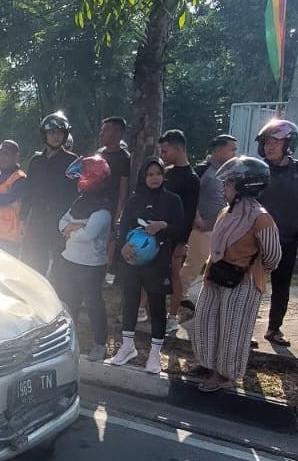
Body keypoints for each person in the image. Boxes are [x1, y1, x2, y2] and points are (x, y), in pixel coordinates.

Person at [189, 156, 282, 392]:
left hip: (243, 282)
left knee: (233, 330)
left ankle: (225, 375)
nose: (224, 188)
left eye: (229, 183)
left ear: (244, 186)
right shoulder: (226, 212)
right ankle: (207, 363)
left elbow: (273, 256)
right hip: (216, 276)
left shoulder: (261, 218)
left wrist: (252, 270)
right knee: (205, 321)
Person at [108, 157, 184, 374]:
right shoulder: (134, 199)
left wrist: (163, 225)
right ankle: (127, 346)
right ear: (143, 177)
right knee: (130, 301)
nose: (154, 178)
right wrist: (122, 246)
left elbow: (180, 227)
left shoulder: (172, 200)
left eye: (158, 173)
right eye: (150, 174)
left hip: (158, 261)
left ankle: (154, 353)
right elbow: (123, 227)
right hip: (132, 259)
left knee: (157, 305)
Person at [255, 119, 298, 347]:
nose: (269, 147)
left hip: (287, 240)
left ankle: (274, 329)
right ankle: (245, 328)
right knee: (252, 286)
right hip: (257, 240)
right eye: (266, 142)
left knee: (281, 287)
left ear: (288, 144)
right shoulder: (257, 169)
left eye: (275, 142)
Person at [55, 155, 113, 362]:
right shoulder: (79, 202)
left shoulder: (103, 208)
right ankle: (68, 341)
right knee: (69, 303)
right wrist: (74, 228)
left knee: (93, 304)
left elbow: (88, 235)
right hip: (69, 260)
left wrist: (73, 229)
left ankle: (99, 344)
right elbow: (62, 223)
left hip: (91, 266)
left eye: (82, 176)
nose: (78, 180)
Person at [179, 134, 236, 309]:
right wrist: (196, 218)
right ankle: (178, 294)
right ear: (218, 150)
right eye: (231, 149)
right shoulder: (203, 170)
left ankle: (212, 297)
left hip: (219, 227)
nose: (234, 153)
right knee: (194, 262)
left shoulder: (227, 172)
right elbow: (189, 195)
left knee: (216, 264)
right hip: (201, 228)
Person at [20, 111, 79, 276]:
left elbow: (76, 194)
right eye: (52, 132)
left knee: (61, 266)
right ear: (44, 135)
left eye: (60, 132)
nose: (56, 136)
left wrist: (73, 221)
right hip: (38, 221)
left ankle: (59, 298)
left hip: (61, 222)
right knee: (35, 263)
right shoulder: (35, 161)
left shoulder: (72, 161)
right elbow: (28, 191)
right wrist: (23, 218)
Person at [158, 129, 200, 333]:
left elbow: (190, 214)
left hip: (177, 236)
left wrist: (182, 242)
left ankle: (172, 316)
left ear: (177, 149)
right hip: (159, 232)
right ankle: (144, 309)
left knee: (174, 274)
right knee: (152, 273)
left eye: (165, 151)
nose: (162, 155)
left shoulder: (192, 179)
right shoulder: (166, 173)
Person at [96, 116, 132, 219]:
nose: (101, 134)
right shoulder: (98, 153)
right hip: (93, 207)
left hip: (110, 210)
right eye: (102, 130)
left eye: (106, 130)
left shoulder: (124, 158)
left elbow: (123, 191)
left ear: (118, 133)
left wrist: (117, 217)